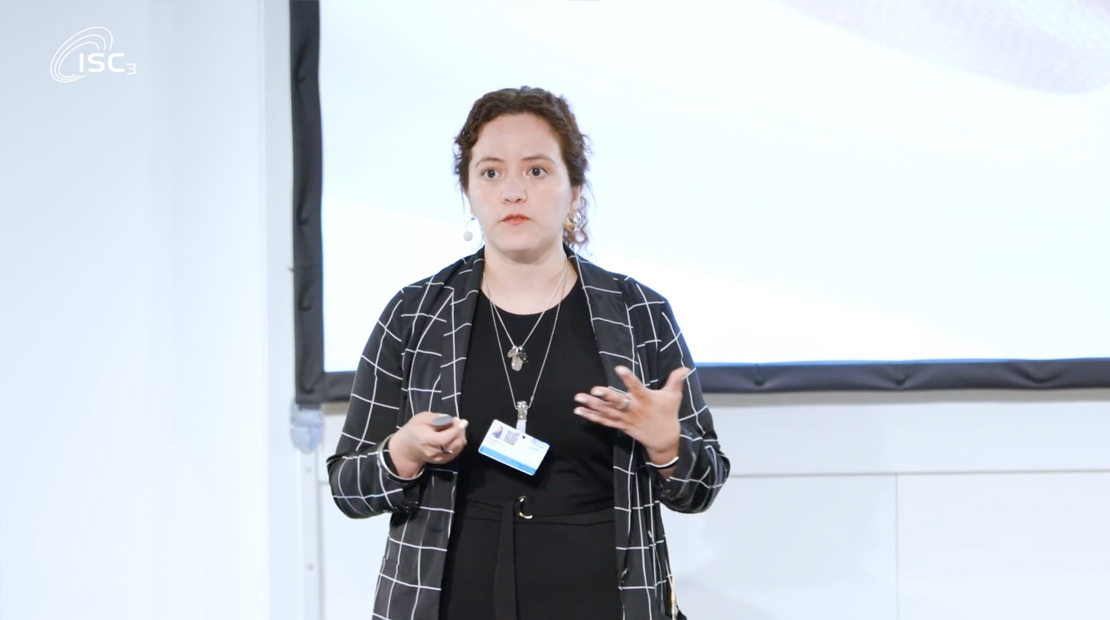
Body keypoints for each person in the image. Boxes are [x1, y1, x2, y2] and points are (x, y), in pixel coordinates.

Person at [327, 86, 730, 620]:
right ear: (468, 193)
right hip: (452, 599)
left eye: (536, 171)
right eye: (490, 173)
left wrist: (666, 446)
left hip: (604, 598)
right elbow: (348, 489)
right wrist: (403, 454)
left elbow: (701, 488)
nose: (512, 191)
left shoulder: (639, 313)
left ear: (575, 189)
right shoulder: (415, 313)